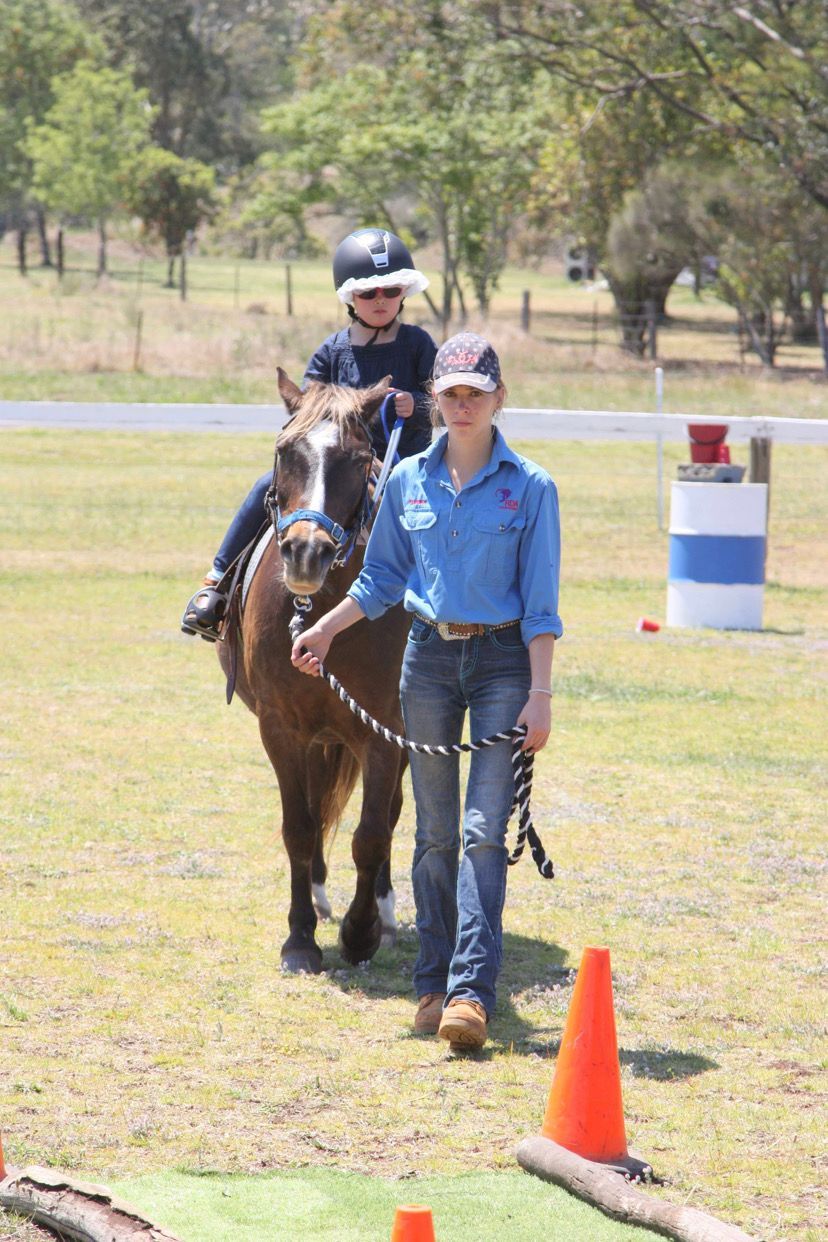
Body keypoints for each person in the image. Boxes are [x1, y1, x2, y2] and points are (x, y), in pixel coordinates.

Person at [291, 332, 563, 1051]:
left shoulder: (532, 488)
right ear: (436, 403)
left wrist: (541, 692)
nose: (464, 404)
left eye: (477, 392)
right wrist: (326, 631)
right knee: (435, 834)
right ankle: (431, 983)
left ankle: (472, 992)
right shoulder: (408, 479)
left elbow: (541, 605)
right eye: (452, 394)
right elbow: (381, 582)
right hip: (427, 659)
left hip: (506, 661)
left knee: (481, 833)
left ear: (499, 398)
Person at [181, 227, 437, 639]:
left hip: (405, 463)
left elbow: (444, 402)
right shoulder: (332, 350)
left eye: (390, 291)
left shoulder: (418, 345)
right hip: (335, 466)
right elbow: (308, 408)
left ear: (403, 293)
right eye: (369, 293)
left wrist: (418, 405)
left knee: (430, 510)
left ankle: (438, 608)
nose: (380, 301)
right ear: (351, 297)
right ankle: (217, 585)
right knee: (266, 486)